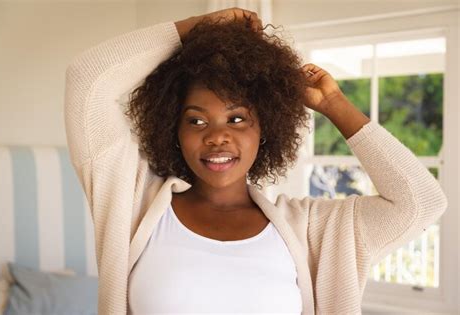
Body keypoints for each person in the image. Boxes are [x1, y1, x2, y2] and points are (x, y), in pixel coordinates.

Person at [64, 7, 448, 315]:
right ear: (172, 130)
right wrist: (197, 27)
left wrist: (334, 106)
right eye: (196, 120)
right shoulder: (134, 206)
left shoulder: (311, 231)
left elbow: (421, 203)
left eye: (237, 118)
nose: (217, 136)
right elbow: (88, 80)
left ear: (264, 128)